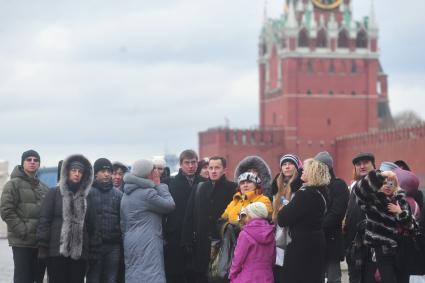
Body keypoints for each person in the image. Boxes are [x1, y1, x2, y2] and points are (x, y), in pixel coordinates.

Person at [36, 154, 100, 283]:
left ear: (84, 175)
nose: (77, 174)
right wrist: (42, 247)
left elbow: (93, 226)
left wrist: (94, 251)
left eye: (80, 171)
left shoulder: (87, 197)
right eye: (73, 170)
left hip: (80, 254)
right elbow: (44, 220)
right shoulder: (54, 193)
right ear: (67, 172)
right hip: (56, 252)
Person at [181, 156, 237, 283]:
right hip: (200, 247)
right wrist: (187, 242)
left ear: (224, 170)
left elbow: (239, 213)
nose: (213, 171)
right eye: (211, 168)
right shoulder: (199, 188)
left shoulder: (233, 188)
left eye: (217, 167)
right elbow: (189, 216)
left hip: (223, 247)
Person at [121, 159, 175, 283]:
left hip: (130, 240)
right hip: (148, 240)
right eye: (153, 169)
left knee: (135, 273)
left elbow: (123, 222)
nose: (156, 172)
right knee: (151, 275)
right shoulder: (147, 194)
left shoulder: (126, 193)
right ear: (147, 173)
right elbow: (169, 206)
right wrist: (159, 185)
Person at [354, 169, 414, 283]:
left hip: (402, 248)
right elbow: (359, 190)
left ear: (395, 185)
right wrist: (381, 175)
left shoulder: (401, 201)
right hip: (382, 248)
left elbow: (412, 227)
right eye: (384, 183)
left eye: (391, 183)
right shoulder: (373, 200)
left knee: (402, 279)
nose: (387, 186)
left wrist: (400, 213)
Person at [0, 150, 49, 283]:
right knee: (23, 279)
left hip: (40, 244)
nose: (32, 162)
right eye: (29, 159)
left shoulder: (44, 188)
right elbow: (6, 210)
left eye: (35, 160)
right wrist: (23, 231)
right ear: (23, 163)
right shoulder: (12, 184)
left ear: (39, 164)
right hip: (22, 242)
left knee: (38, 279)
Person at [277, 157, 329, 283]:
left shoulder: (304, 194)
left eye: (305, 170)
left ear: (312, 173)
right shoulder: (322, 192)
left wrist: (284, 207)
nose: (302, 172)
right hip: (317, 242)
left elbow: (283, 219)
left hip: (301, 246)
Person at [164, 150, 206, 283]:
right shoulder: (170, 183)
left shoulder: (204, 183)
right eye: (187, 163)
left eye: (193, 162)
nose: (190, 166)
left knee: (196, 275)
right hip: (176, 236)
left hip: (197, 237)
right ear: (181, 164)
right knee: (176, 275)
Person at [313, 151, 349, 283]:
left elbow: (337, 213)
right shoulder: (314, 187)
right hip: (315, 242)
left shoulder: (338, 185)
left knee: (333, 278)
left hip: (331, 241)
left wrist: (316, 227)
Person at [86, 158, 123, 283]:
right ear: (96, 173)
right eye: (103, 171)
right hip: (94, 246)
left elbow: (123, 220)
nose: (107, 174)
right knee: (93, 278)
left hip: (114, 245)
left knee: (111, 279)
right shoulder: (88, 193)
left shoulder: (118, 195)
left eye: (109, 171)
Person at [344, 152, 376, 283]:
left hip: (371, 245)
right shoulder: (355, 187)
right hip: (354, 245)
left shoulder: (379, 184)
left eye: (365, 163)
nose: (362, 166)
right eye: (358, 164)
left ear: (373, 165)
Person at [271, 153, 302, 282]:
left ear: (296, 167)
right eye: (284, 164)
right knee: (279, 271)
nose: (287, 166)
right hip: (278, 232)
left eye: (290, 164)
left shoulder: (300, 185)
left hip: (294, 233)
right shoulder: (276, 186)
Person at [228, 202, 275, 283]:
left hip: (247, 278)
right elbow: (273, 259)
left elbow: (238, 259)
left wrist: (232, 275)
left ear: (250, 216)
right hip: (267, 278)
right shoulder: (271, 233)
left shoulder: (245, 234)